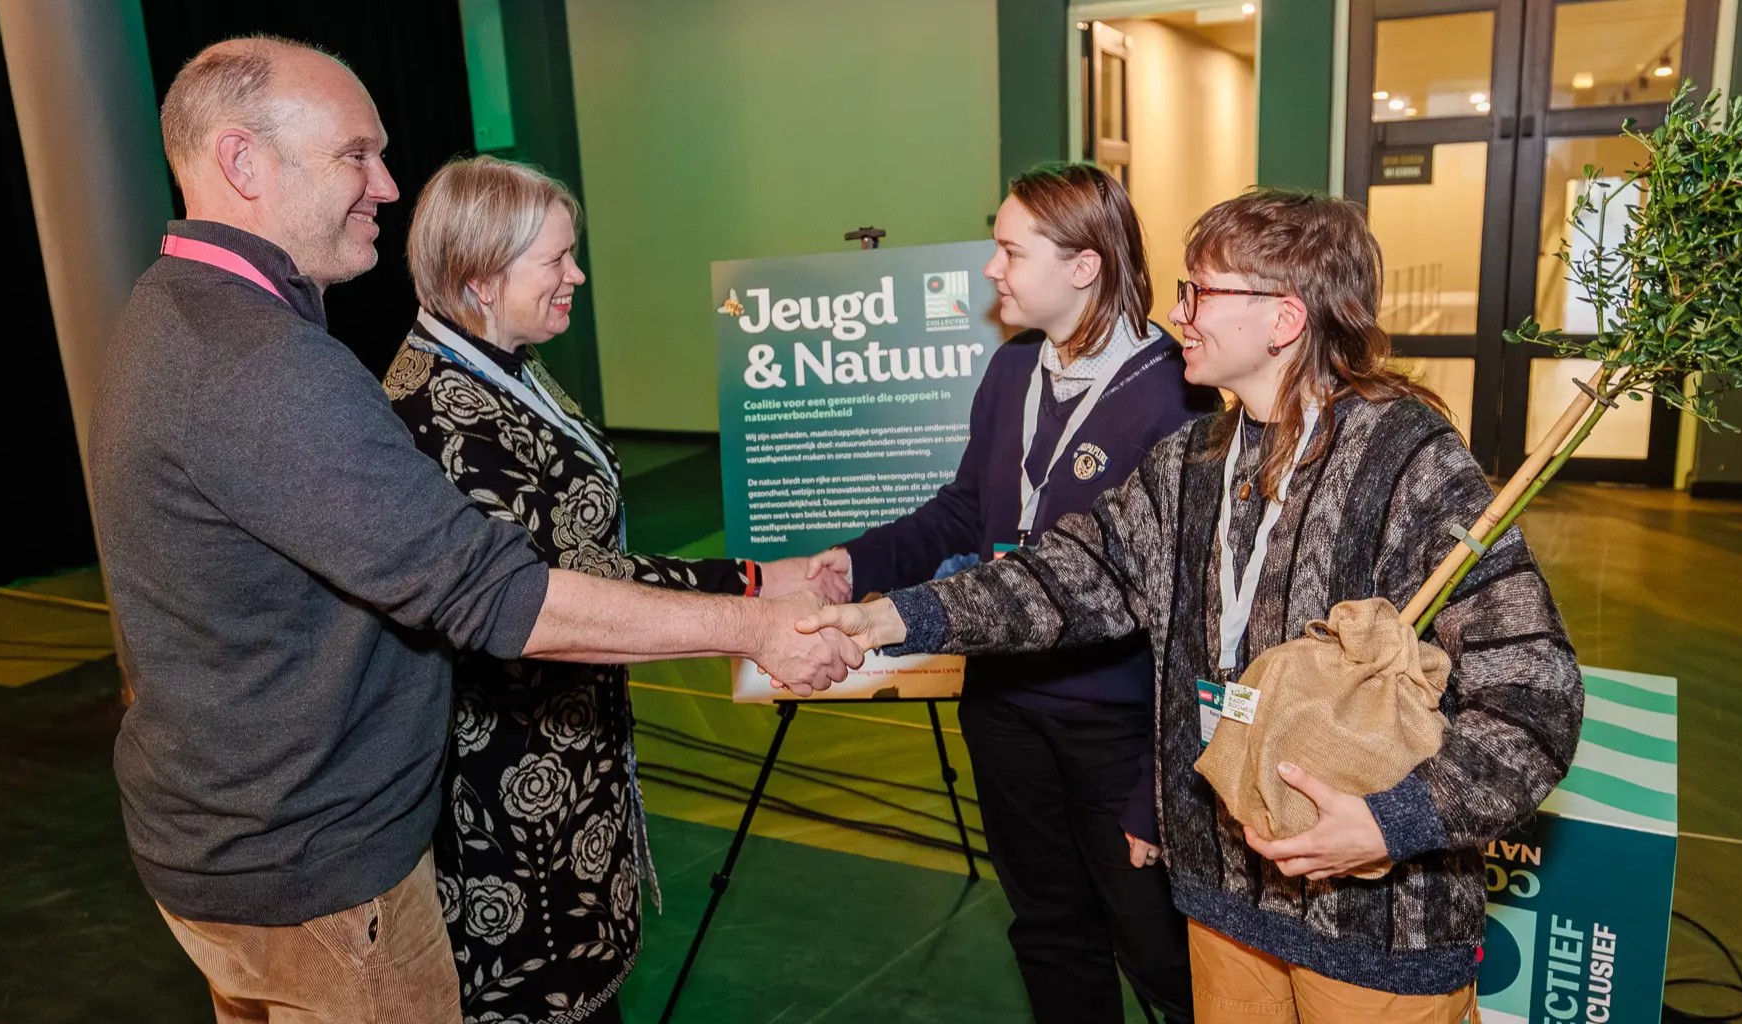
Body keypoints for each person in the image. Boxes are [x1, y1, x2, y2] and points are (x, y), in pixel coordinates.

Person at [90, 37, 856, 1024]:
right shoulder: (267, 368)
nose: (385, 183)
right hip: (317, 872)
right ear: (243, 163)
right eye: (355, 155)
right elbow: (499, 594)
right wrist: (753, 622)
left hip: (234, 845)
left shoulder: (174, 317)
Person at [800, 188, 1584, 1023]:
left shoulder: (1412, 465)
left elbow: (1536, 693)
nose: (1177, 313)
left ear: (1283, 319)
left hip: (1375, 926)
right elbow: (1064, 577)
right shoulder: (1190, 459)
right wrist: (890, 619)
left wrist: (1394, 822)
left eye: (1199, 292)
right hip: (1222, 905)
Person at [385, 155, 830, 1022]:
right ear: (480, 277)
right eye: (555, 259)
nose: (576, 274)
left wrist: (758, 579)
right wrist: (754, 603)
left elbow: (584, 552)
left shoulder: (499, 363)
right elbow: (560, 589)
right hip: (506, 789)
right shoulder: (437, 413)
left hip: (563, 752)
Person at [766, 162, 1211, 1023]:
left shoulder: (1178, 396)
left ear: (1083, 266)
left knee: (1158, 949)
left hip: (1116, 724)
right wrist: (853, 565)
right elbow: (966, 507)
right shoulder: (1012, 371)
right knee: (1048, 929)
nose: (991, 270)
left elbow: (1191, 610)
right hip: (1003, 699)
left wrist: (1158, 781)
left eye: (1009, 250)